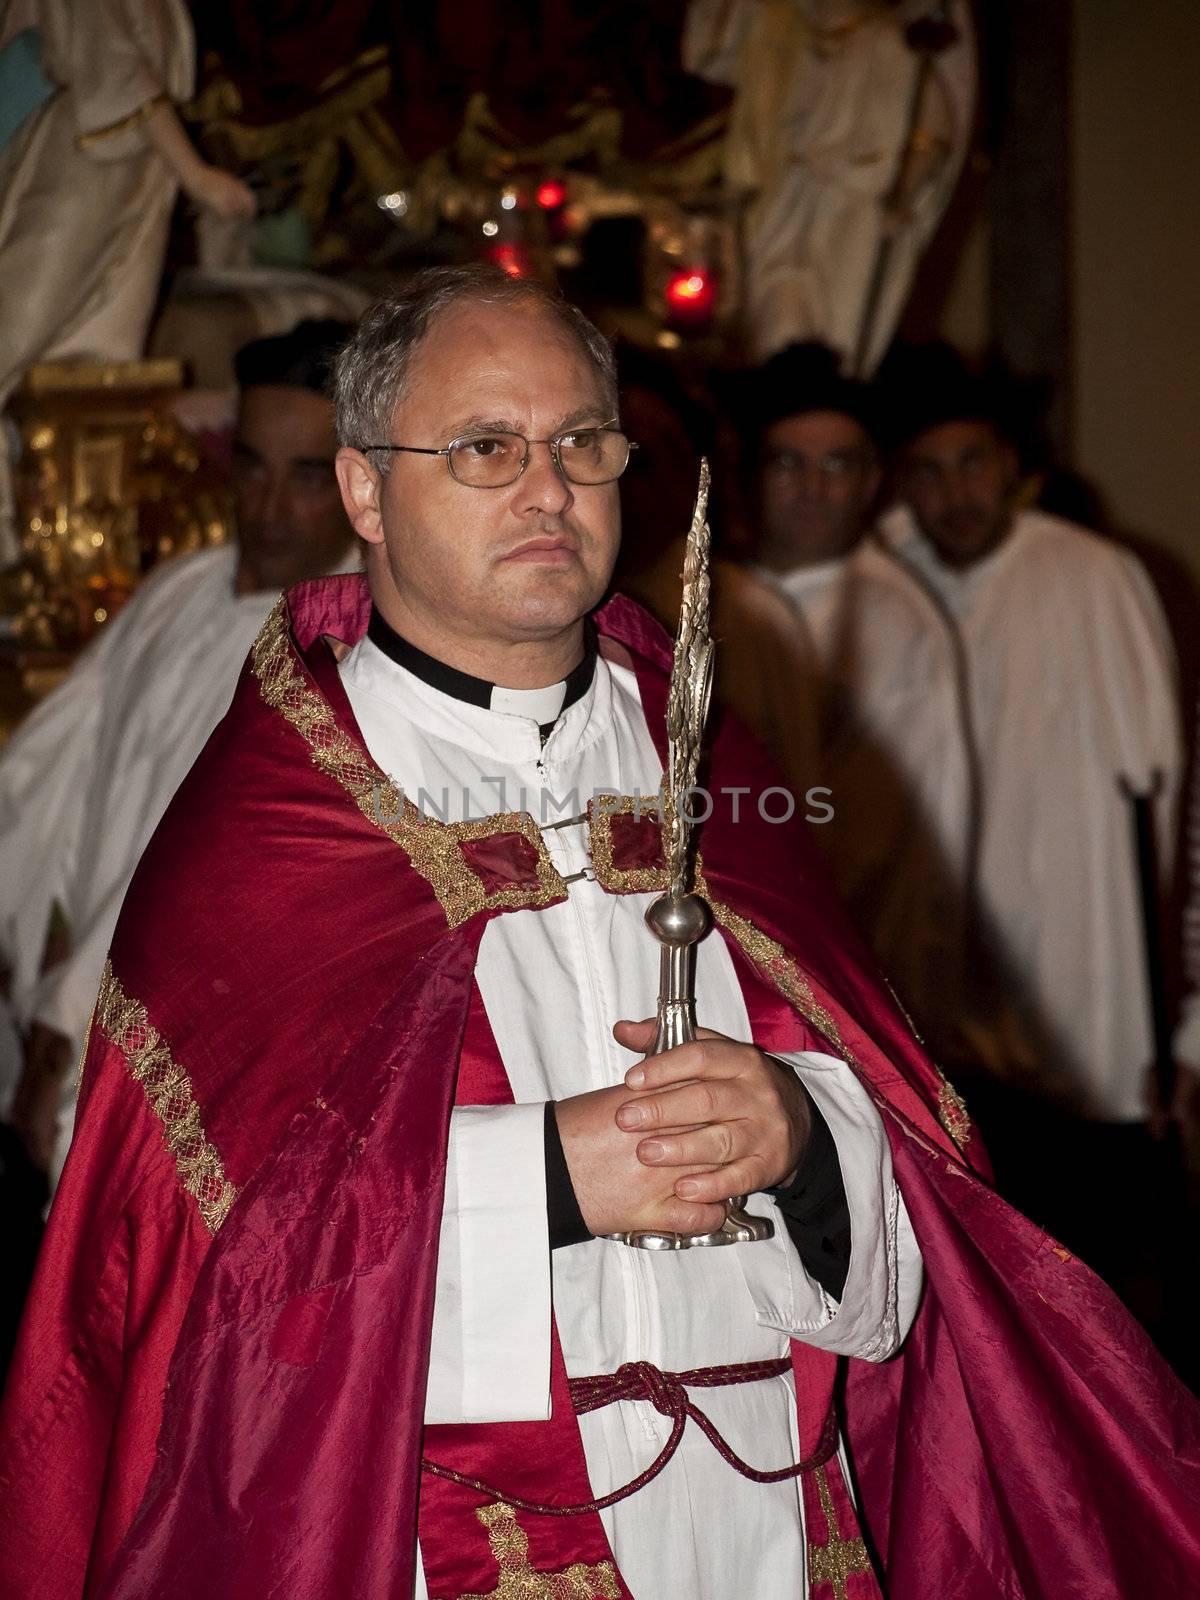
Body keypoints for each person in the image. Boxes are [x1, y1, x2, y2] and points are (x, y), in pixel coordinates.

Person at [1, 267, 1197, 1600]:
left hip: (762, 1525)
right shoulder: (271, 823)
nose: (548, 489)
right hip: (434, 1529)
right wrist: (556, 1181)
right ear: (364, 492)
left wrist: (802, 1140)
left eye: (584, 443)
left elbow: (912, 1157)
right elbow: (199, 1277)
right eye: (485, 449)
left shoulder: (710, 764)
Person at [0, 320, 357, 1193]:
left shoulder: (347, 642)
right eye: (252, 466)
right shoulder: (180, 589)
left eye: (307, 478)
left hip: (191, 1050)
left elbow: (200, 864)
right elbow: (45, 772)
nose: (268, 508)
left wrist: (68, 1016)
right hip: (66, 997)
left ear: (361, 482)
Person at [879, 353, 1184, 1285]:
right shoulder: (886, 579)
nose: (954, 493)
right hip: (939, 955)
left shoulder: (1091, 574)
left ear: (1014, 467)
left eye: (973, 463)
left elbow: (1155, 787)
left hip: (1074, 949)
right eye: (928, 472)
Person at [749, 343, 971, 1054]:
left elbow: (873, 836)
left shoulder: (889, 617)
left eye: (837, 465)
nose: (811, 487)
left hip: (848, 959)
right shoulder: (729, 595)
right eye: (788, 462)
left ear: (873, 480)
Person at [0, 0, 256, 564]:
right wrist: (195, 175)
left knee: (96, 374)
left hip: (133, 168)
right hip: (85, 162)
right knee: (12, 338)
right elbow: (113, 69)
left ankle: (62, 551)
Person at [683, 0, 975, 369]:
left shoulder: (886, 43)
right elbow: (708, 56)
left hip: (852, 209)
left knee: (839, 334)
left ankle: (829, 410)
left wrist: (898, 197)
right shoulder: (781, 29)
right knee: (775, 318)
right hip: (781, 205)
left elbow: (932, 134)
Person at [612, 343, 821, 799]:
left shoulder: (751, 620)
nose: (626, 486)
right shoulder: (559, 610)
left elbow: (800, 798)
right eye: (609, 459)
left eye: (645, 460)